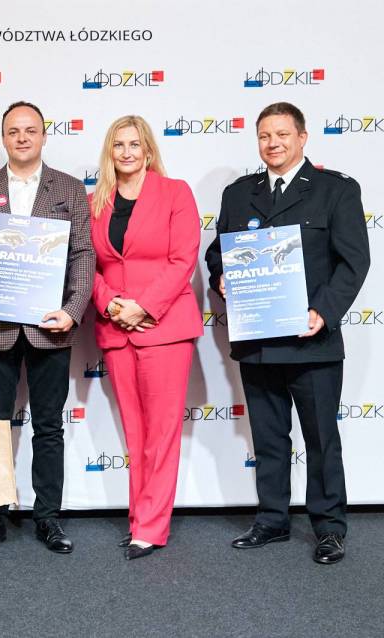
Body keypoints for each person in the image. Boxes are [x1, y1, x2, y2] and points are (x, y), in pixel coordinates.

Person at [205, 102, 370, 565]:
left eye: (281, 134)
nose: (272, 143)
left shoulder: (336, 190)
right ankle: (272, 520)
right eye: (264, 136)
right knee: (269, 438)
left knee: (321, 440)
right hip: (258, 342)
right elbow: (218, 252)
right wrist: (221, 277)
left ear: (302, 137)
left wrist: (324, 311)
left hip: (312, 341)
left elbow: (354, 261)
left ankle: (329, 528)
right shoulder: (239, 194)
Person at [0, 101, 94, 554]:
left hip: (49, 327)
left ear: (44, 136)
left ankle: (48, 517)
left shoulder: (69, 188)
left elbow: (83, 254)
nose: (22, 137)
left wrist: (72, 310)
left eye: (30, 130)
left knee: (49, 426)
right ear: (3, 137)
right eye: (13, 131)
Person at [88, 116, 203, 560]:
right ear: (110, 152)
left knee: (161, 433)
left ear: (149, 150)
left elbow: (183, 259)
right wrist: (112, 304)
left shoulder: (175, 193)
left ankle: (152, 527)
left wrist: (144, 306)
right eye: (118, 145)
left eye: (135, 144)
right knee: (135, 434)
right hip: (117, 328)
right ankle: (140, 519)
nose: (127, 152)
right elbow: (87, 264)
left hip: (164, 327)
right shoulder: (95, 201)